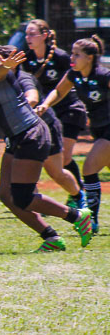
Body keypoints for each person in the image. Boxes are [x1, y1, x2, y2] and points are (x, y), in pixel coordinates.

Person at [0, 33, 92, 252]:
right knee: (6, 196)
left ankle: (77, 216)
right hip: (16, 136)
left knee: (23, 196)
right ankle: (51, 238)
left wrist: (6, 66)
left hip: (31, 134)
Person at [0, 45, 83, 208]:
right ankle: (33, 203)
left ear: (13, 61)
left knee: (56, 173)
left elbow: (32, 98)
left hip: (45, 126)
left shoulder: (24, 78)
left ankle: (78, 196)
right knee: (23, 166)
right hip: (21, 130)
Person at [37, 34, 110, 235]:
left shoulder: (104, 76)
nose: (72, 57)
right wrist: (45, 104)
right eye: (72, 53)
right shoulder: (74, 74)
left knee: (89, 167)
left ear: (90, 57)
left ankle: (92, 221)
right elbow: (58, 92)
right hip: (98, 129)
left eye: (77, 55)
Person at [21, 19, 88, 206]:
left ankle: (81, 194)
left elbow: (77, 80)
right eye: (27, 34)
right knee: (54, 162)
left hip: (69, 110)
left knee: (65, 157)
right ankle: (78, 193)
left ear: (44, 36)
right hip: (47, 114)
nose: (28, 38)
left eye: (32, 34)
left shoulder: (61, 57)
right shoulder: (27, 60)